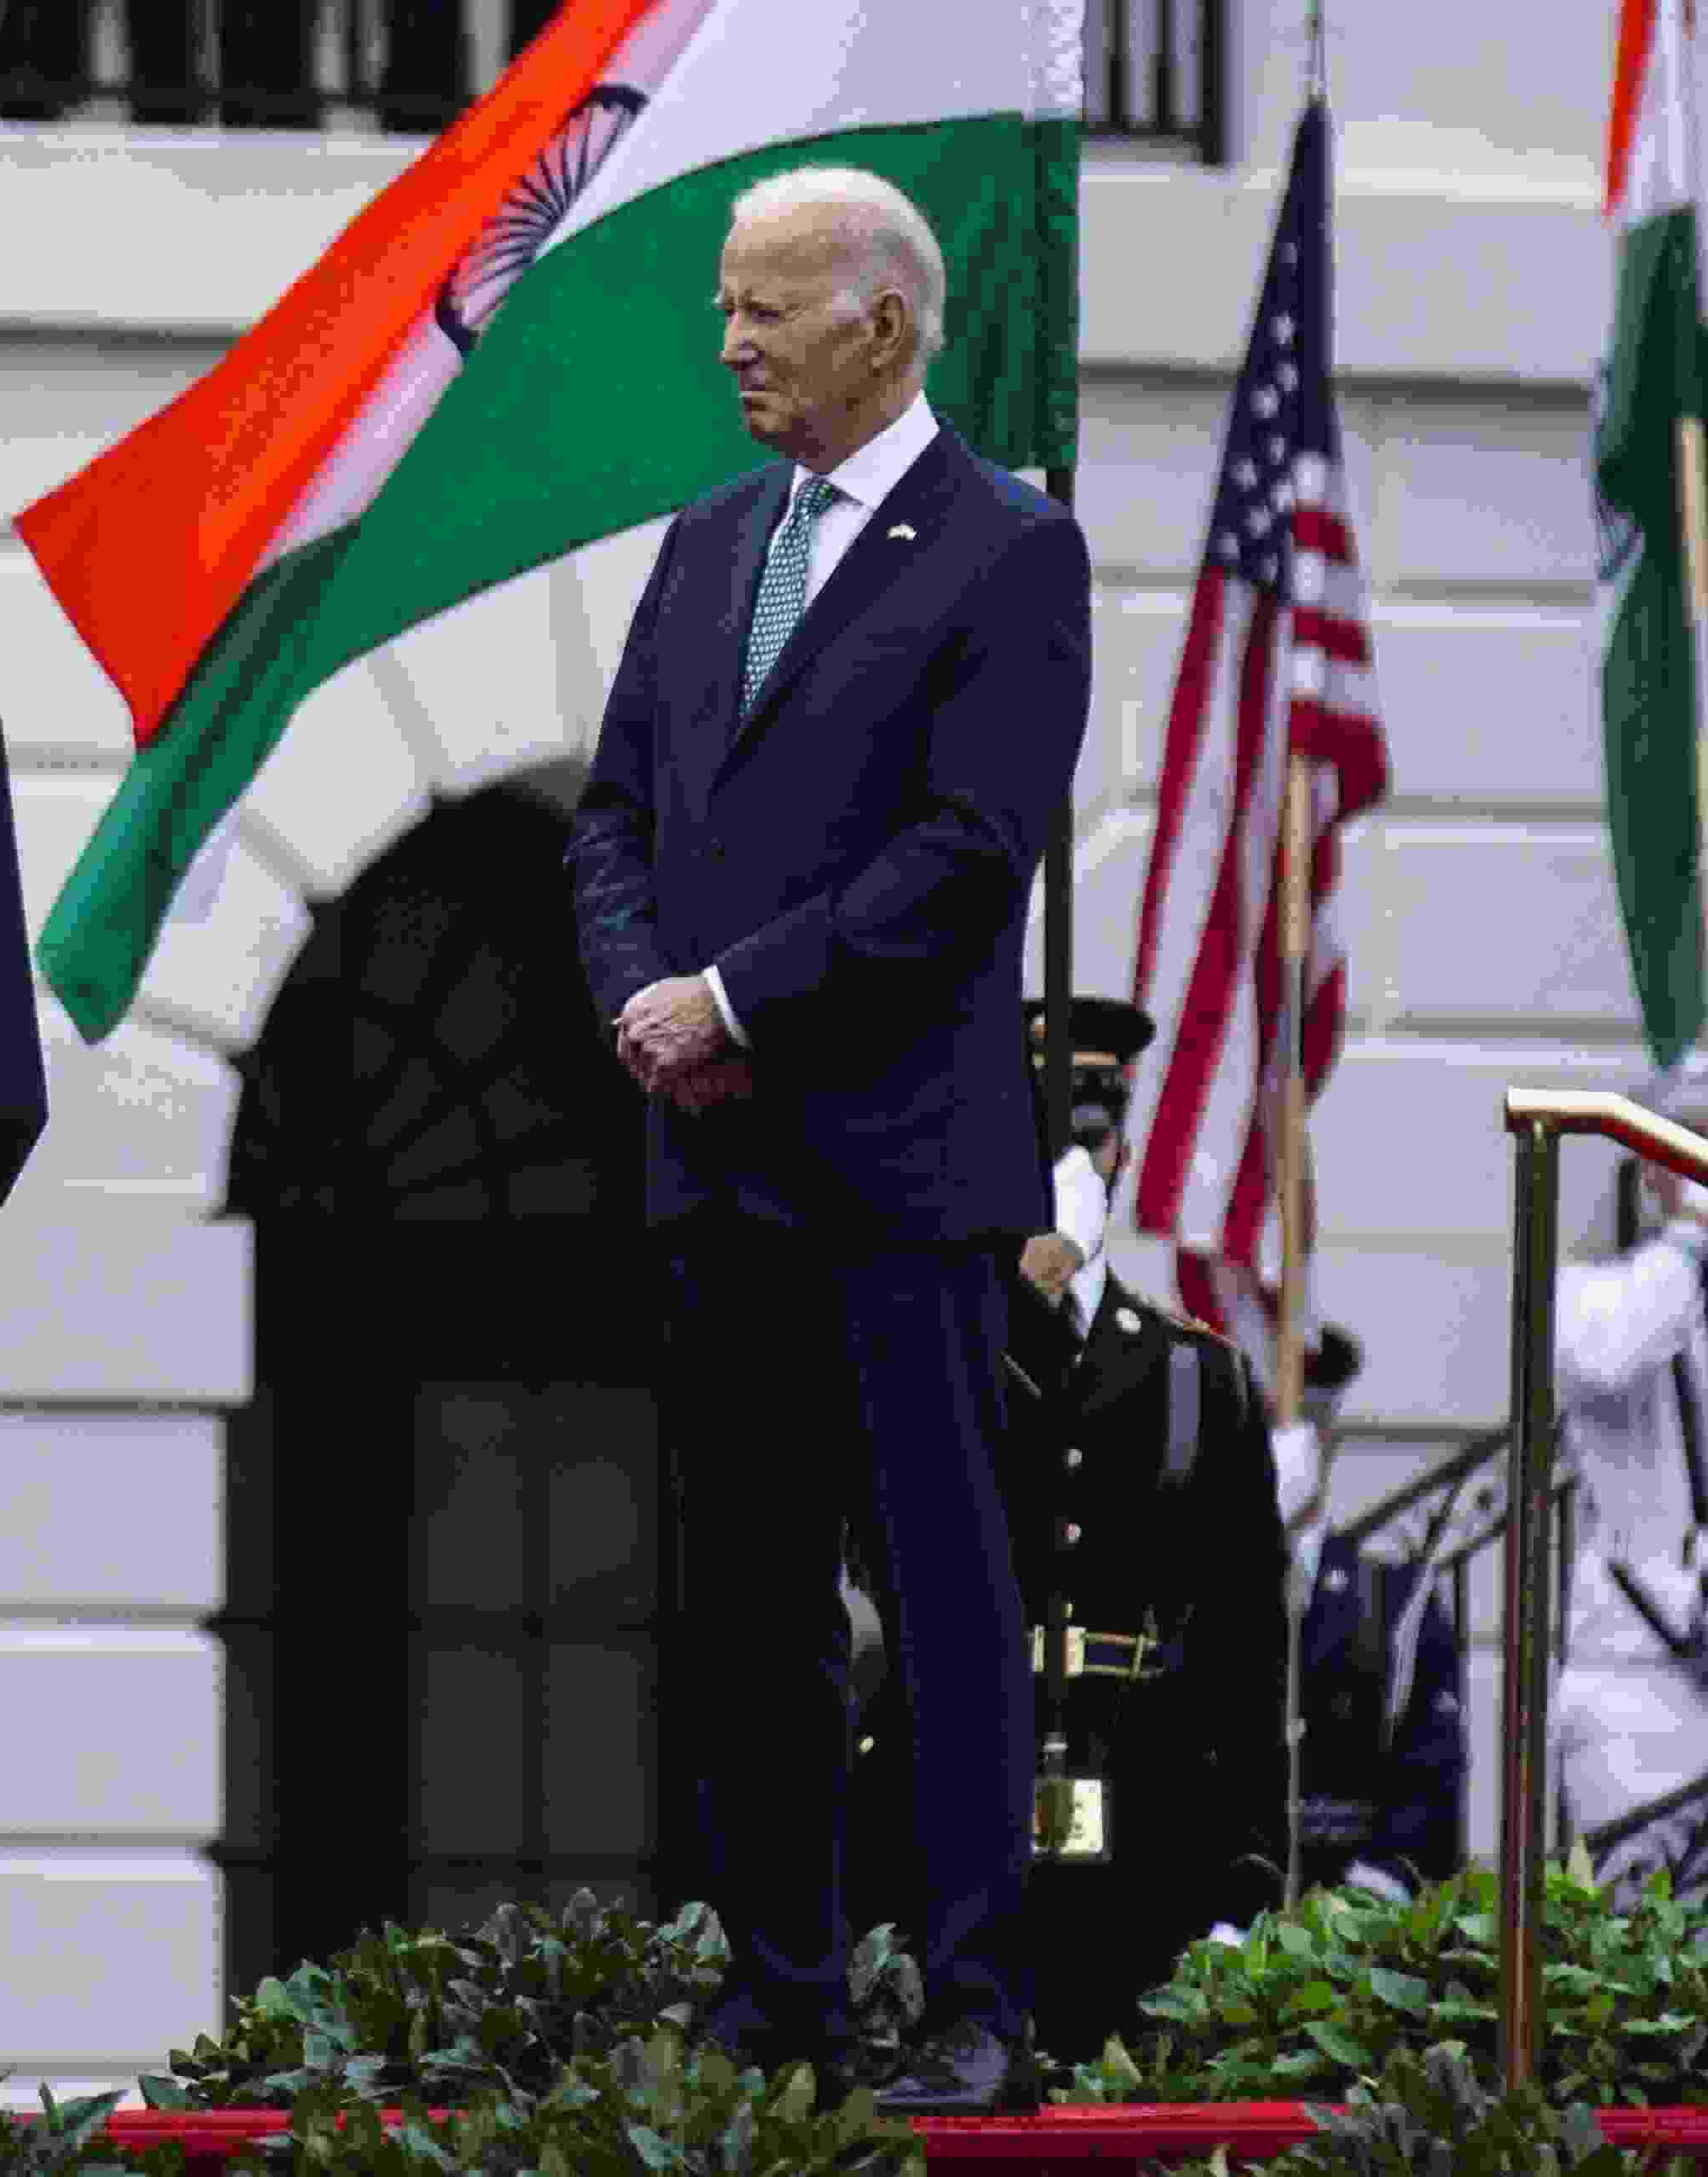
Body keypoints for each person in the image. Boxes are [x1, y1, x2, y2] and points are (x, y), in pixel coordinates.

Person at [567, 165, 1090, 2110]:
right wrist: (649, 998)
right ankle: (776, 1993)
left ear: (879, 324)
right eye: (724, 304)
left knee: (944, 1605)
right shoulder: (709, 544)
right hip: (718, 1169)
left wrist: (740, 1001)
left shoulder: (1009, 552)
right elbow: (611, 815)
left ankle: (975, 2005)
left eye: (760, 308)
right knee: (751, 1615)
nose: (726, 341)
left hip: (900, 1174)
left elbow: (964, 853)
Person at [855, 997, 1290, 2057]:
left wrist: (1247, 1877)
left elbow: (1244, 1645)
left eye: (1087, 1139)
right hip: (951, 1823)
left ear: (1122, 1154)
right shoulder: (932, 1350)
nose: (1067, 1166)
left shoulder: (1199, 1376)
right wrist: (1015, 1288)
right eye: (1040, 1139)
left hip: (1149, 1821)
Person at [1551, 1055, 1708, 1924]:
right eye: (1687, 1144)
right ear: (1650, 1169)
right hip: (1635, 1690)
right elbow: (1606, 1356)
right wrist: (1695, 1235)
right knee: (1636, 1955)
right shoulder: (1592, 1296)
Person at [1276, 1328, 1470, 1905]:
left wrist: (1370, 1897)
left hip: (1351, 1917)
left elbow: (1430, 1781)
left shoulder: (1393, 1603)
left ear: (1322, 1441)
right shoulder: (1180, 1596)